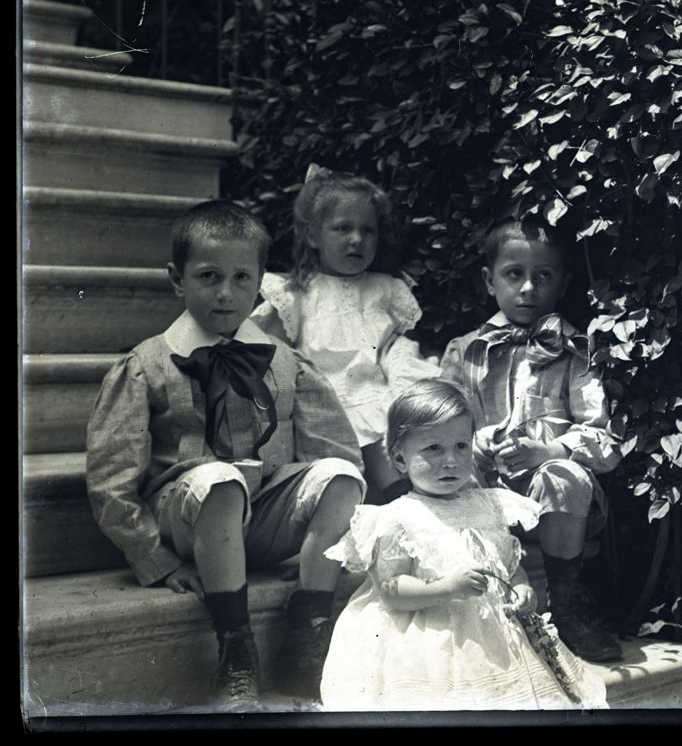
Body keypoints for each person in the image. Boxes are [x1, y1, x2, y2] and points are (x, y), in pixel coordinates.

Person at [86, 200, 367, 708]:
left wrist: (312, 547)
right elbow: (110, 480)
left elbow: (338, 449)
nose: (225, 292)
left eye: (242, 278)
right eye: (209, 276)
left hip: (262, 522)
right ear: (177, 279)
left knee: (342, 474)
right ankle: (236, 651)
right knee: (219, 479)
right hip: (189, 523)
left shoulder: (286, 362)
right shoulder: (145, 365)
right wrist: (157, 559)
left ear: (261, 281)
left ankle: (307, 634)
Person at [320, 379, 607, 711]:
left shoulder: (489, 505)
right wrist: (446, 587)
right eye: (433, 449)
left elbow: (507, 564)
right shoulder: (397, 518)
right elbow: (391, 589)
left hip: (492, 635)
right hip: (427, 633)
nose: (451, 461)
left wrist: (522, 588)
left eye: (461, 446)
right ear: (400, 460)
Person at [440, 219, 623, 663]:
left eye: (543, 276)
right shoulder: (463, 351)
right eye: (514, 274)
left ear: (563, 284)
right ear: (489, 280)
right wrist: (476, 444)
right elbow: (438, 425)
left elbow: (605, 438)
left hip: (549, 509)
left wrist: (551, 450)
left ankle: (566, 600)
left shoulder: (576, 353)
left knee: (564, 474)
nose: (528, 288)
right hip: (483, 497)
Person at [252, 166, 439, 504]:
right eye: (342, 228)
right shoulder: (295, 294)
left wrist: (403, 382)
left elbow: (395, 349)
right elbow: (274, 359)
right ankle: (401, 502)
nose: (357, 239)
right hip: (324, 407)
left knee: (405, 437)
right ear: (313, 236)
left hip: (380, 399)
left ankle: (413, 504)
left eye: (367, 230)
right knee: (366, 448)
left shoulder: (384, 289)